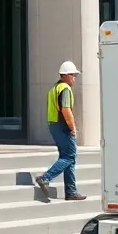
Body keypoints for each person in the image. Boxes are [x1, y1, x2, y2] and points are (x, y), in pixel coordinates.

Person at [35, 61, 86, 202]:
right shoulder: (65, 89)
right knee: (69, 157)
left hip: (54, 125)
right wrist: (73, 128)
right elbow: (66, 110)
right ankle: (45, 178)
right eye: (73, 75)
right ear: (66, 75)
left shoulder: (54, 89)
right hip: (63, 126)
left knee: (69, 158)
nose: (74, 78)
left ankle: (71, 192)